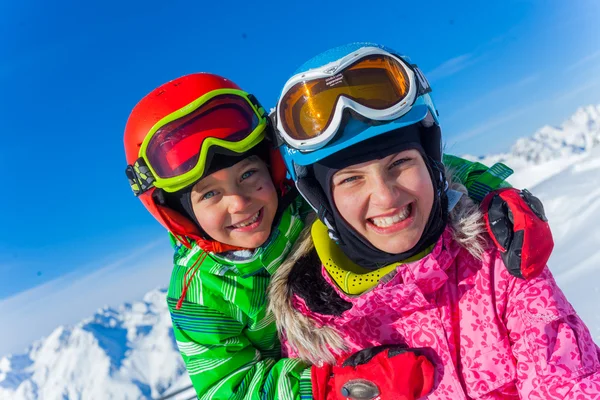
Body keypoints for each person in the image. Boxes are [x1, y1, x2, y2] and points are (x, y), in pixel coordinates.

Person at [123, 72, 552, 399]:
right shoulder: (197, 296)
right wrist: (332, 385)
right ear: (177, 212)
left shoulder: (305, 201)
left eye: (249, 174)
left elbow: (419, 171)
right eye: (210, 194)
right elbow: (227, 386)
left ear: (272, 167)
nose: (239, 203)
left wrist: (493, 196)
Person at [269, 42, 599, 399]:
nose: (385, 196)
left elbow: (566, 383)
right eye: (350, 179)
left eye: (400, 163)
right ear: (322, 200)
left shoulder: (498, 264)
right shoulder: (314, 324)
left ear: (432, 163)